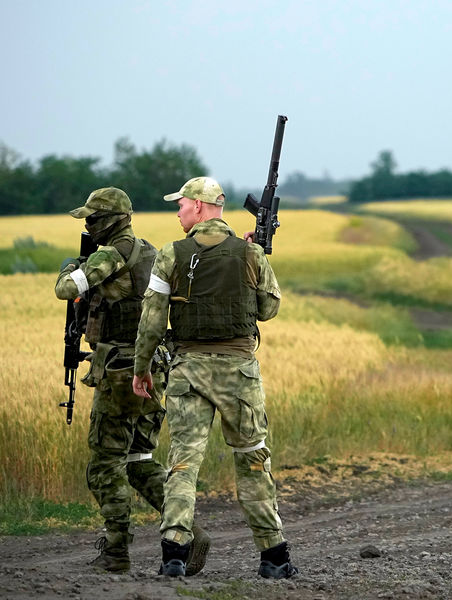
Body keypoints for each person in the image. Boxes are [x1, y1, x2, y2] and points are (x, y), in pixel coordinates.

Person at [131, 176, 297, 579]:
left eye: (182, 205)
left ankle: (173, 554)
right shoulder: (248, 253)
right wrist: (255, 256)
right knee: (253, 460)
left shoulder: (171, 254)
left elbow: (151, 319)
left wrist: (141, 368)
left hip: (188, 372)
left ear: (201, 207)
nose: (178, 211)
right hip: (239, 375)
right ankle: (274, 559)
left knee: (183, 463)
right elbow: (268, 310)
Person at [55, 187, 209, 575]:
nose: (88, 225)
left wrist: (69, 265)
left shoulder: (111, 254)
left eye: (92, 218)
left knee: (105, 465)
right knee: (140, 460)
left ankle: (116, 552)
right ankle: (188, 532)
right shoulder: (151, 251)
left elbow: (67, 289)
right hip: (154, 370)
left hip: (122, 374)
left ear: (108, 220)